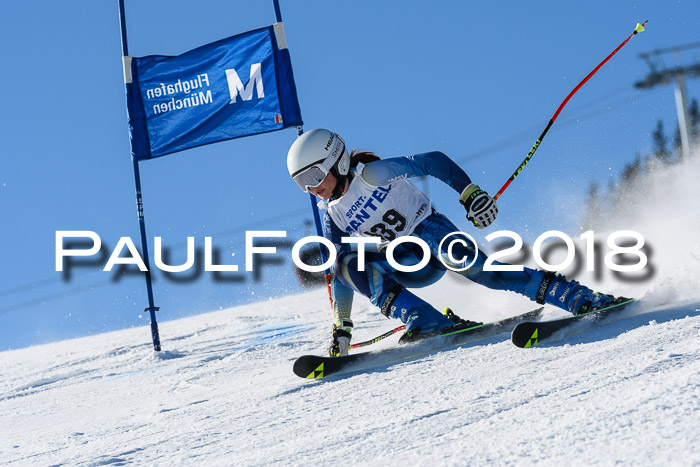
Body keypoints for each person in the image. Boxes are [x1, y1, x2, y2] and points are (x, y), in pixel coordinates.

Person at [287, 129, 621, 357]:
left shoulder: (372, 174)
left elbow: (431, 161)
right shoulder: (333, 215)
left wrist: (469, 192)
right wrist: (341, 326)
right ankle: (427, 321)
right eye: (302, 183)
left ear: (337, 161)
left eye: (314, 177)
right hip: (404, 261)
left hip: (429, 232)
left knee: (478, 269)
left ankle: (578, 297)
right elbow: (342, 271)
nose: (311, 188)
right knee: (344, 261)